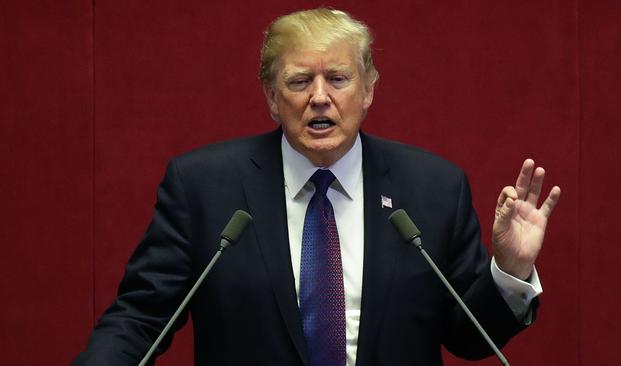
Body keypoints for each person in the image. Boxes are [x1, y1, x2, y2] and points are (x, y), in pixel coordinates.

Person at [73, 8, 561, 366]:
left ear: (369, 89)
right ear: (271, 96)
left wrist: (511, 270)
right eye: (300, 80)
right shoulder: (203, 187)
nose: (320, 97)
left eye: (339, 78)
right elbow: (141, 316)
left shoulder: (432, 188)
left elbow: (470, 336)